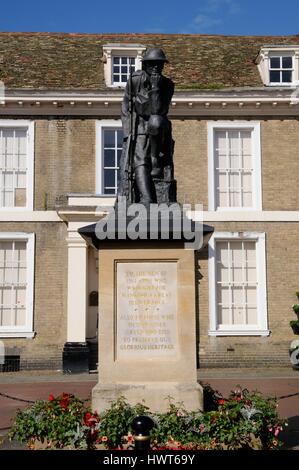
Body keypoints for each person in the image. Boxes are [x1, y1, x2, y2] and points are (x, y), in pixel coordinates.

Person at [118, 48, 174, 206]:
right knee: (140, 158)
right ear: (145, 65)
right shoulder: (134, 80)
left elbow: (158, 110)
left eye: (159, 64)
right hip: (139, 127)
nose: (156, 67)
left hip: (159, 130)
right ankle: (147, 198)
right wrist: (128, 133)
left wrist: (155, 89)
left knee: (155, 120)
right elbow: (125, 107)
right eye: (152, 64)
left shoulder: (168, 85)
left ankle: (156, 160)